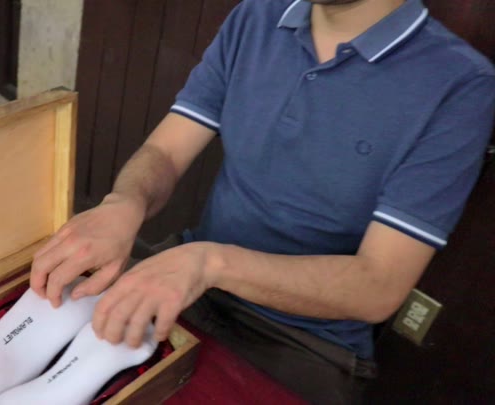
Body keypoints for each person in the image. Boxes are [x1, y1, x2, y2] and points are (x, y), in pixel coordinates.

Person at [30, 0, 495, 402]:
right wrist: (122, 204)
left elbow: (377, 287)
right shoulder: (257, 16)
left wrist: (210, 264)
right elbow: (166, 153)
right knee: (36, 328)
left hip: (305, 341)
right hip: (187, 284)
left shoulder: (460, 83)